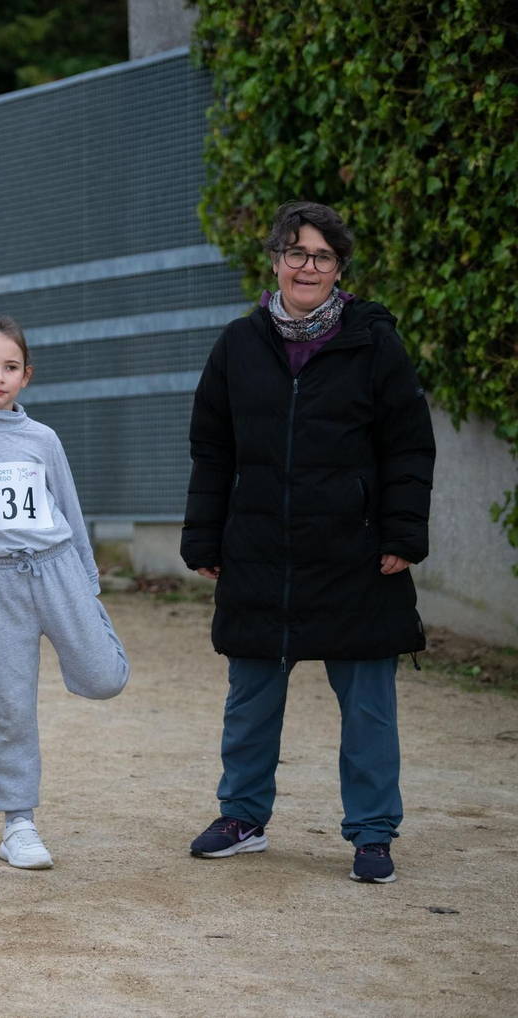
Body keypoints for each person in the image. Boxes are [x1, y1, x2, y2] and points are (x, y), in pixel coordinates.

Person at [180, 201, 435, 886]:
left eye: (322, 256)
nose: (307, 267)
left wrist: (405, 532)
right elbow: (213, 447)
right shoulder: (238, 344)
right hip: (262, 549)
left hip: (356, 554)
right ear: (274, 261)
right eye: (295, 252)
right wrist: (203, 533)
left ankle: (373, 833)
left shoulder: (374, 342)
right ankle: (242, 817)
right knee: (252, 694)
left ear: (339, 269)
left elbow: (408, 443)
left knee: (369, 706)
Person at [0, 317, 130, 870]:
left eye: (10, 367)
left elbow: (71, 510)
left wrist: (88, 581)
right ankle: (19, 823)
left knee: (105, 678)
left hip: (58, 568)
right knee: (8, 704)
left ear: (26, 376)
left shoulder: (43, 439)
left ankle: (93, 630)